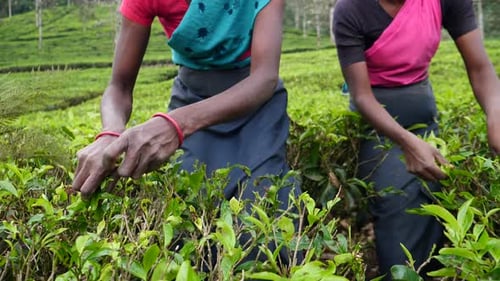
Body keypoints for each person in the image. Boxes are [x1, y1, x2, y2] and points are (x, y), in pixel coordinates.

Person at [71, 0, 301, 267]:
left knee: (263, 232)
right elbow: (119, 86)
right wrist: (110, 132)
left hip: (255, 106)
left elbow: (264, 79)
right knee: (189, 234)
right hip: (191, 99)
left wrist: (176, 125)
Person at [333, 0, 500, 279]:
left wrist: (495, 114)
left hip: (423, 113)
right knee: (396, 203)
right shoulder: (351, 9)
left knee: (434, 197)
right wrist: (407, 142)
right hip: (378, 122)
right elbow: (361, 96)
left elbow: (480, 67)